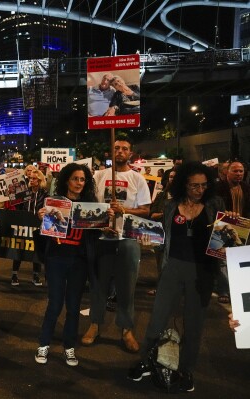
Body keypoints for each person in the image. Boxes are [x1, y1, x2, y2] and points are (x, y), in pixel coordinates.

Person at [128, 162, 226, 393]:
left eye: (203, 185)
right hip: (172, 267)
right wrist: (146, 238)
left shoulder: (215, 204)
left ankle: (186, 369)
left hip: (201, 271)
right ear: (183, 184)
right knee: (158, 319)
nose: (199, 190)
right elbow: (159, 233)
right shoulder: (172, 205)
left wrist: (230, 219)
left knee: (194, 324)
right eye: (194, 186)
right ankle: (146, 360)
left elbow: (227, 235)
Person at [82, 134, 151, 353]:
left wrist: (124, 210)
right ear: (111, 152)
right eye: (116, 148)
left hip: (128, 239)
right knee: (98, 285)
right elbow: (89, 204)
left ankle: (126, 329)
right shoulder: (99, 175)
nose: (120, 151)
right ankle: (95, 324)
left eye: (124, 148)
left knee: (127, 287)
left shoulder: (137, 179)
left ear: (130, 153)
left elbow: (146, 210)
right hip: (101, 239)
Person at [35, 163, 102, 366]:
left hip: (79, 262)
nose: (79, 183)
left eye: (82, 179)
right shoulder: (54, 203)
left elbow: (96, 236)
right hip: (56, 259)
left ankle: (69, 347)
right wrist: (40, 219)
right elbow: (42, 235)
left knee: (73, 306)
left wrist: (105, 222)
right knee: (55, 304)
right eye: (75, 178)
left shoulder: (90, 205)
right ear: (66, 180)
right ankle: (44, 344)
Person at [214, 161, 250, 304]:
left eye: (241, 171)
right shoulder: (217, 188)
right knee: (222, 260)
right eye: (235, 171)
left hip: (243, 227)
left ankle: (238, 290)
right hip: (222, 226)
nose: (239, 174)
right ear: (226, 172)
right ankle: (224, 291)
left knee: (239, 260)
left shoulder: (247, 188)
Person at [9, 169, 47, 287]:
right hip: (24, 224)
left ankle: (36, 275)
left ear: (40, 180)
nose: (31, 180)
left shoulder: (45, 194)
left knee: (37, 250)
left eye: (34, 179)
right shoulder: (25, 192)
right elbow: (15, 204)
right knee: (19, 248)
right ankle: (14, 274)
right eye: (30, 178)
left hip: (38, 226)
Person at [148, 169, 176, 296]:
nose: (173, 179)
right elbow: (152, 214)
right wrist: (165, 214)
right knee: (160, 263)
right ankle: (161, 288)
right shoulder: (161, 196)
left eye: (175, 177)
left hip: (176, 236)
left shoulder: (185, 199)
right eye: (171, 177)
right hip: (160, 233)